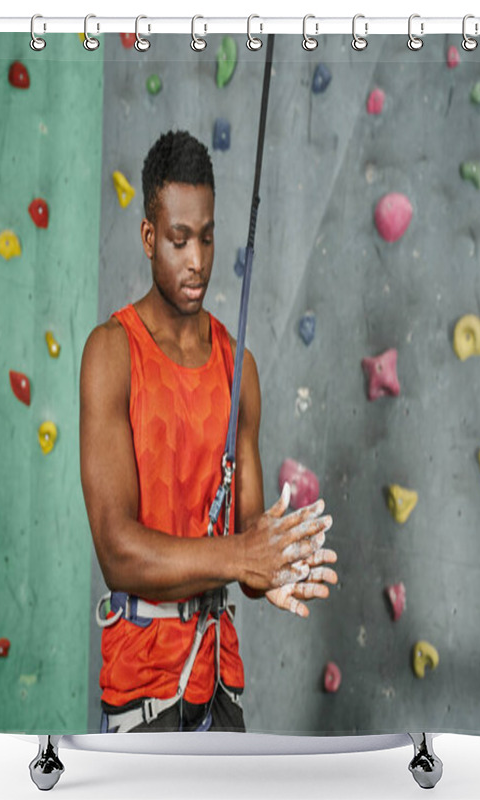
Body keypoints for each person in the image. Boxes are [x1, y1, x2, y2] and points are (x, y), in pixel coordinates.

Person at [79, 130, 338, 734]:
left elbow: (246, 544)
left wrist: (274, 561)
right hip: (143, 689)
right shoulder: (112, 352)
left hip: (222, 683)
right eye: (178, 240)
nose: (196, 260)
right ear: (149, 238)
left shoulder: (236, 364)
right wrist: (241, 556)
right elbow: (117, 551)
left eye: (207, 236)